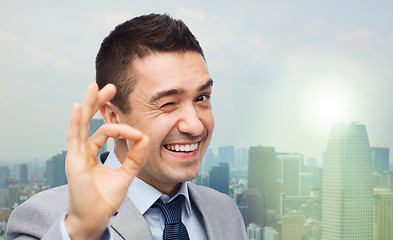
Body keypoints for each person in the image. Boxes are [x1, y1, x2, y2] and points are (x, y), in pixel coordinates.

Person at [6, 13, 247, 240]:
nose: (195, 126)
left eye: (202, 98)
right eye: (168, 103)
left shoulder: (224, 211)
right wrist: (82, 229)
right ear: (113, 116)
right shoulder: (44, 220)